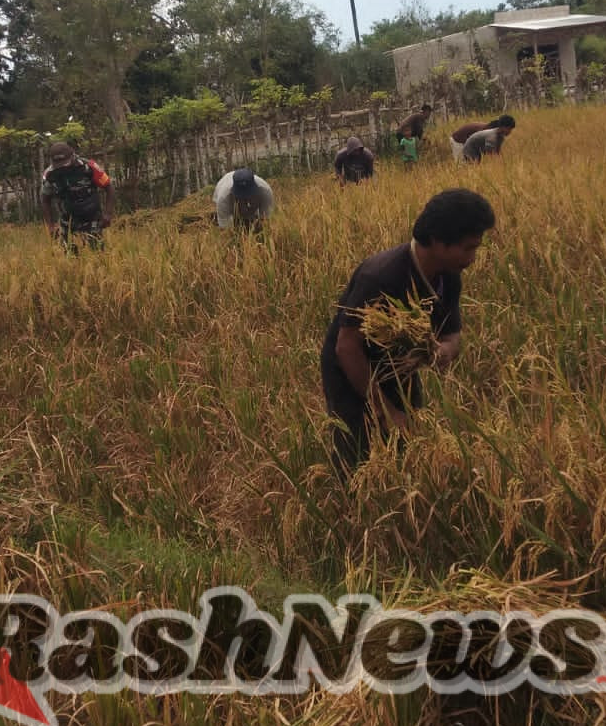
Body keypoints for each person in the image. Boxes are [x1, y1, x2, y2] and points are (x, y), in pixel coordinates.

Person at [319, 189, 496, 480]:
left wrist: (443, 351)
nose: (472, 258)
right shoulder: (381, 276)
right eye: (467, 248)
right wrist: (385, 411)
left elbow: (452, 335)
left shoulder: (447, 276)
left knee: (410, 440)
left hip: (399, 366)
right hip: (351, 368)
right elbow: (346, 347)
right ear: (438, 241)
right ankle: (355, 507)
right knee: (357, 451)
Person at [41, 141, 114, 251]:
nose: (62, 167)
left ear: (72, 156)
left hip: (91, 218)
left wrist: (107, 214)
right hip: (67, 221)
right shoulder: (50, 174)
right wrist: (50, 225)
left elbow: (109, 187)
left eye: (65, 163)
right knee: (70, 258)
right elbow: (45, 199)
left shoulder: (88, 167)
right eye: (59, 165)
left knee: (97, 254)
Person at [213, 167, 275, 233]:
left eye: (248, 194)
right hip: (226, 192)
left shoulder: (265, 191)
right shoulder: (223, 197)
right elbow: (225, 226)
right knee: (233, 222)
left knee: (254, 223)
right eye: (241, 195)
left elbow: (265, 218)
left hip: (254, 206)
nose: (245, 197)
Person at [449, 115, 515, 163]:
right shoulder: (490, 135)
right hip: (457, 140)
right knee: (461, 164)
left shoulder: (498, 135)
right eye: (509, 129)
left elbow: (496, 152)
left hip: (470, 143)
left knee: (474, 163)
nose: (510, 132)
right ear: (501, 127)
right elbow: (491, 155)